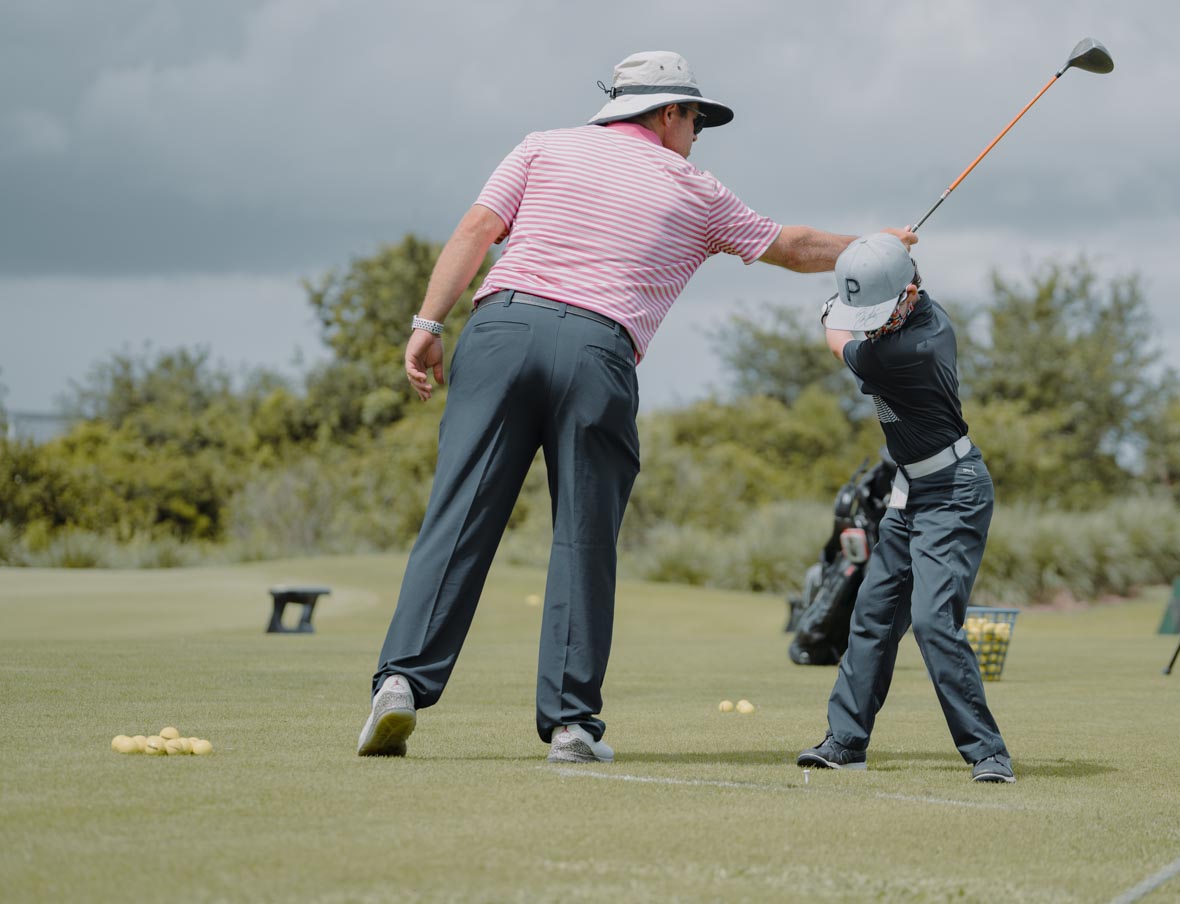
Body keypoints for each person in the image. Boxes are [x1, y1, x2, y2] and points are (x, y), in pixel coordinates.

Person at [357, 51, 916, 761]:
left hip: (499, 329)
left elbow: (475, 232)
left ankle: (401, 683)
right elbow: (792, 247)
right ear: (667, 113)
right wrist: (876, 249)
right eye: (696, 120)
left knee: (459, 513)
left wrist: (427, 325)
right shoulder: (695, 188)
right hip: (595, 348)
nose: (697, 135)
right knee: (582, 537)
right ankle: (569, 725)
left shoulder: (541, 146)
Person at [795, 234, 1014, 783]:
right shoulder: (907, 302)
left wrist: (828, 309)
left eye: (877, 310)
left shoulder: (909, 349)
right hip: (908, 492)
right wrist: (876, 249)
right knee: (870, 616)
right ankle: (845, 741)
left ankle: (988, 753)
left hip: (954, 491)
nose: (872, 321)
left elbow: (837, 339)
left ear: (910, 293)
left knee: (932, 621)